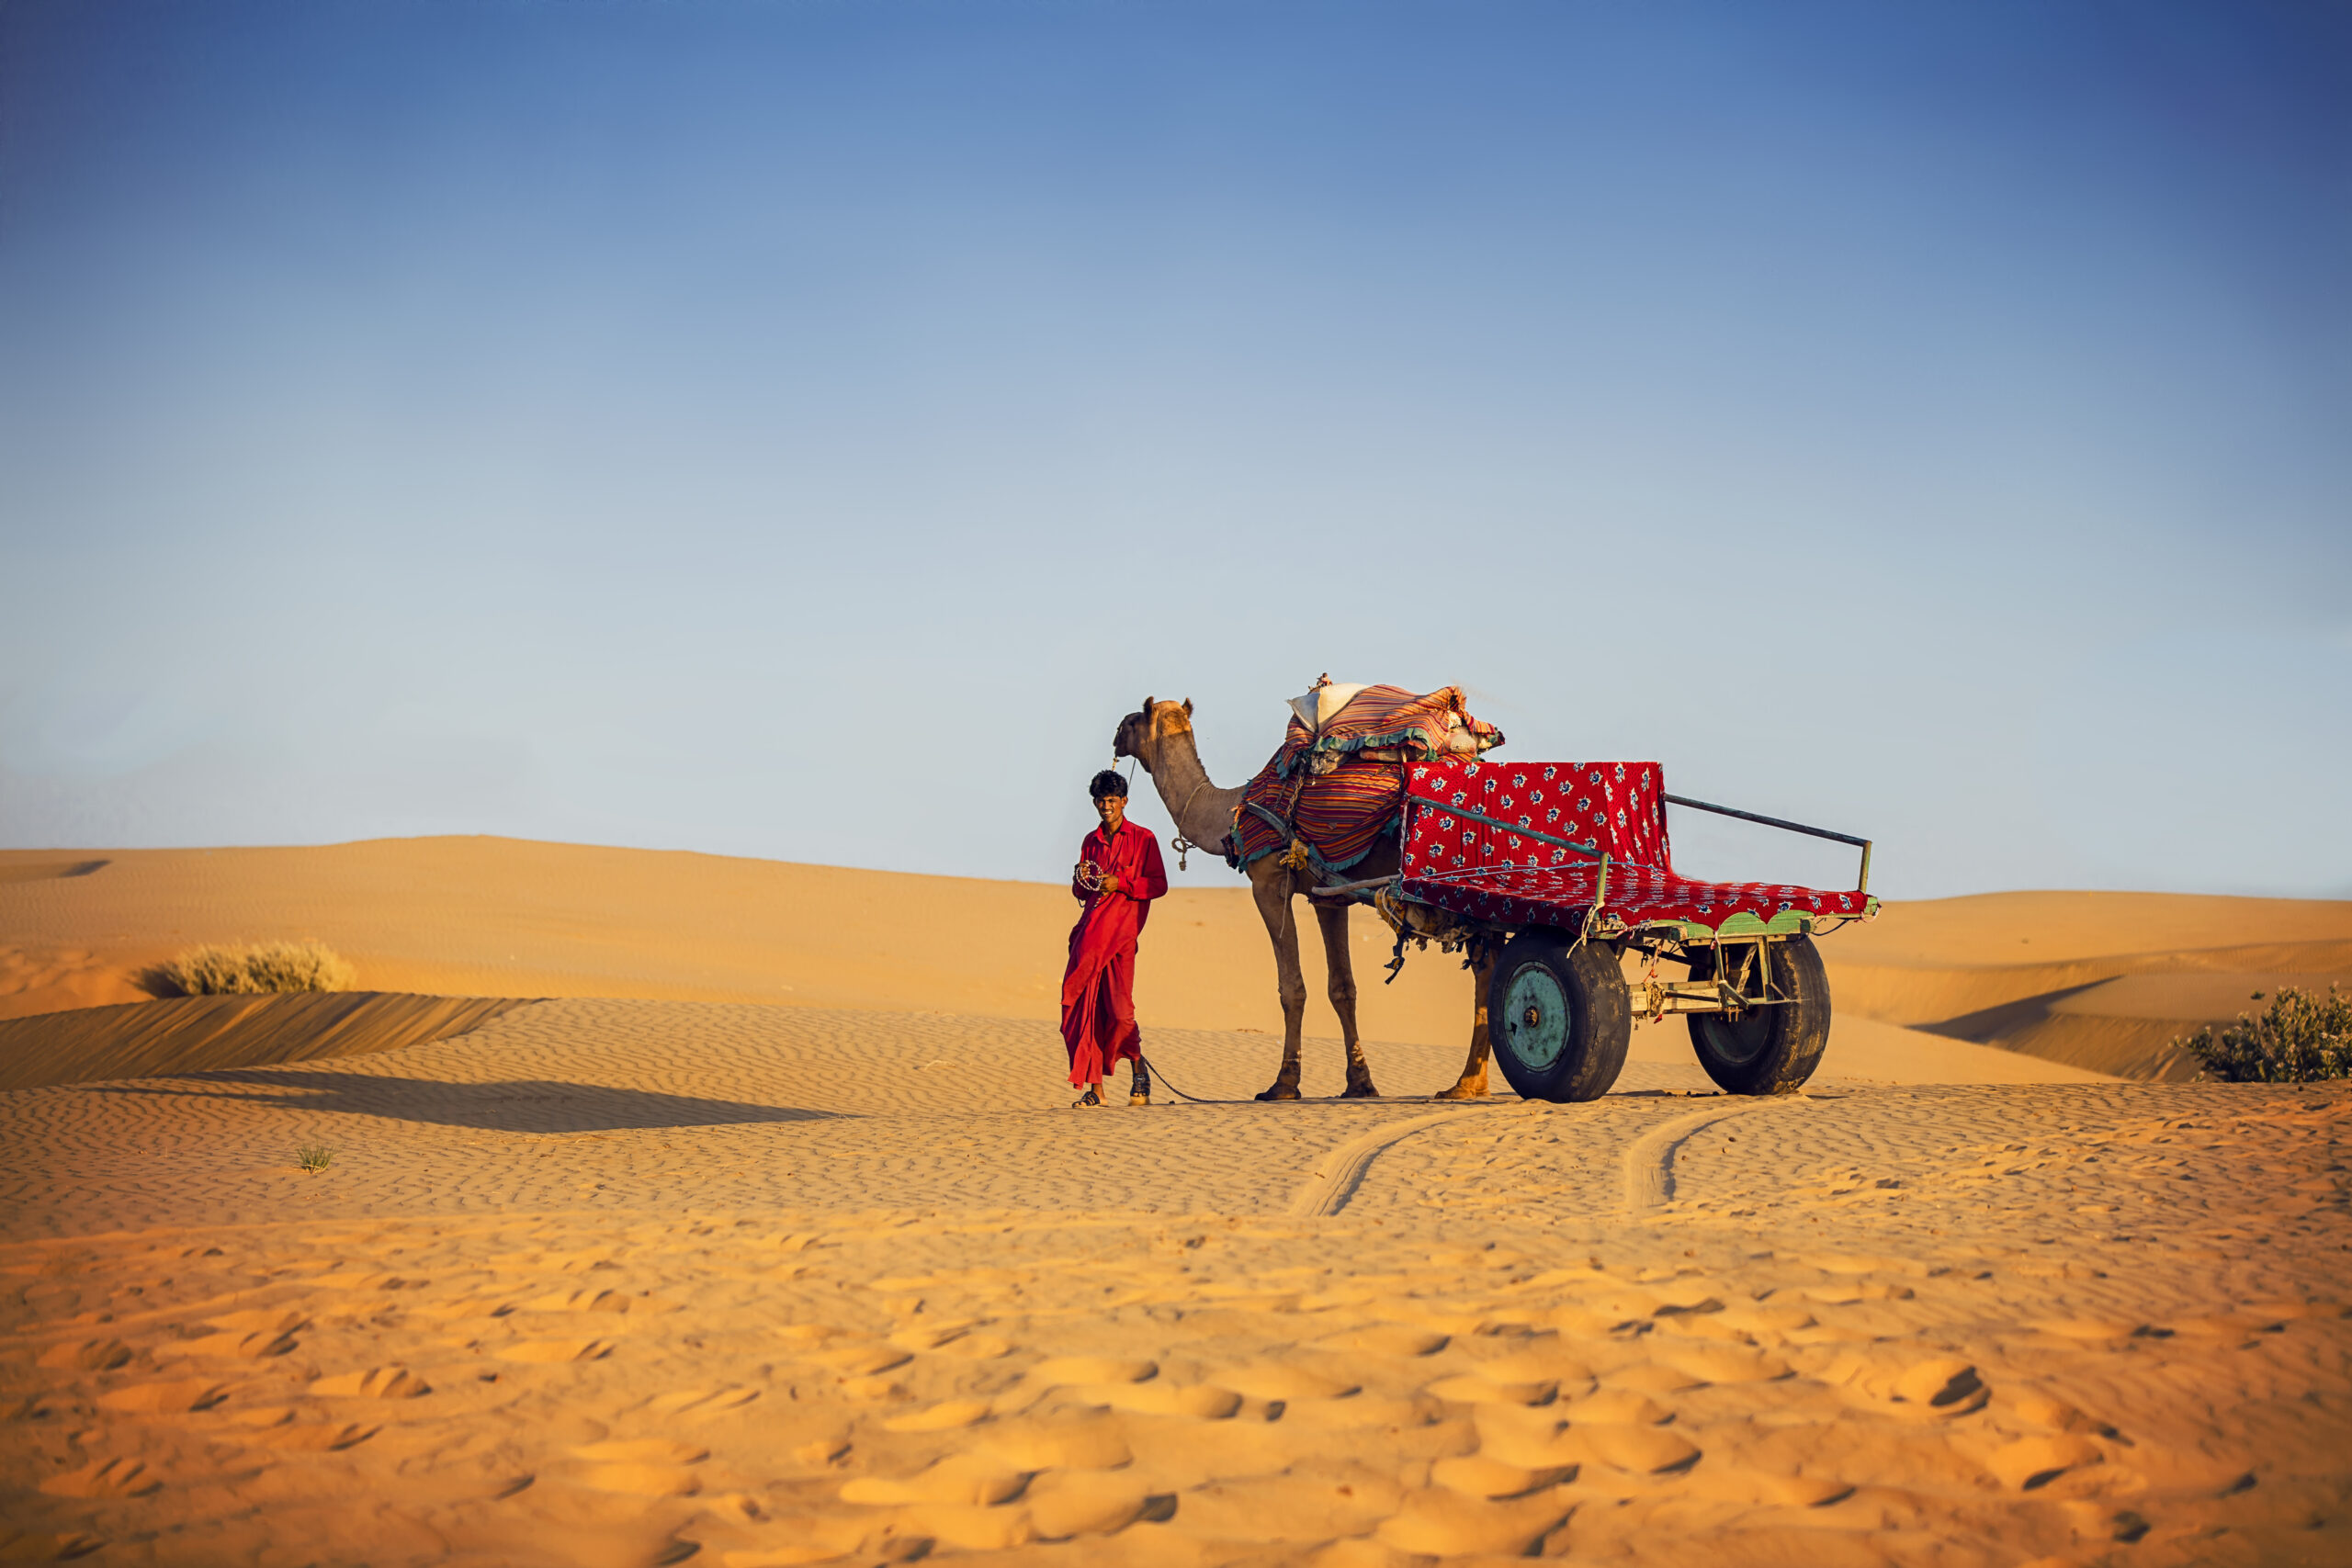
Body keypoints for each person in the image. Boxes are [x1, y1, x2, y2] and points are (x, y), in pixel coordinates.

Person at [1061, 768, 1169, 1106]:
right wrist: (1081, 878)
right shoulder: (1090, 842)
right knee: (1088, 1011)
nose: (1105, 806)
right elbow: (1083, 891)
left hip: (1121, 939)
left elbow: (1158, 885)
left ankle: (1137, 1063)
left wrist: (1120, 883)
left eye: (1111, 800)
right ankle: (1097, 1091)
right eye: (1100, 801)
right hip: (1089, 939)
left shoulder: (1143, 839)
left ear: (1124, 801)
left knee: (1121, 1014)